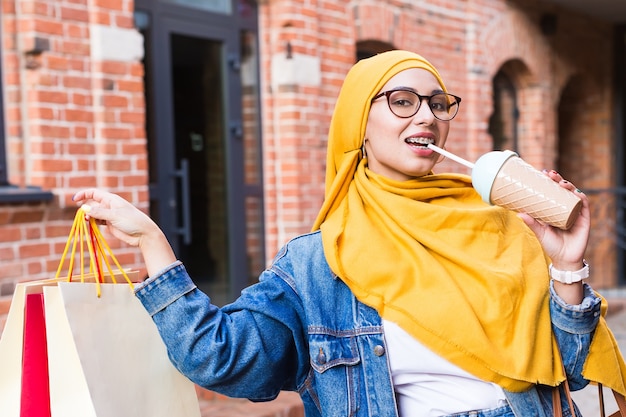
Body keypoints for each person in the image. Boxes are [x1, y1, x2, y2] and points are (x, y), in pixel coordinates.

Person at [73, 50, 626, 417]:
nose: (427, 117)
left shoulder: (506, 225)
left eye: (438, 103)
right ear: (359, 122)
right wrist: (152, 242)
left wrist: (567, 267)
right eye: (403, 101)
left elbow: (573, 371)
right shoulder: (318, 263)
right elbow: (222, 360)